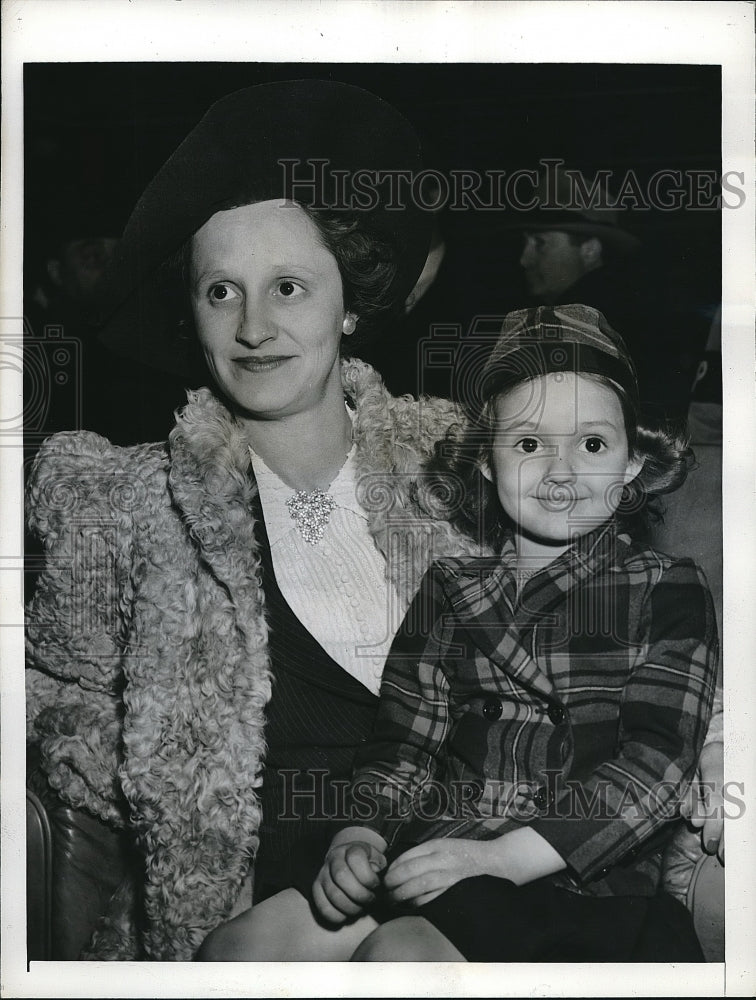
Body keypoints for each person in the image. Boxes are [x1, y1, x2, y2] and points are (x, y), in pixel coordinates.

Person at [25, 84, 723, 962]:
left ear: (347, 305)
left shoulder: (467, 459)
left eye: (288, 286)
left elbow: (642, 651)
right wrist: (142, 767)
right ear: (192, 319)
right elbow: (53, 690)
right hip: (293, 867)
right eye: (220, 292)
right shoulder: (121, 501)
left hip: (510, 855)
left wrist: (723, 755)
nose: (254, 326)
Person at [199, 305, 723, 962]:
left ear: (630, 465)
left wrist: (505, 858)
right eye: (529, 444)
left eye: (592, 444)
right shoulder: (450, 587)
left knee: (397, 958)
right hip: (440, 846)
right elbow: (402, 745)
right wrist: (359, 832)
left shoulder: (667, 587)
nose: (561, 471)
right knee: (242, 948)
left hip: (581, 878)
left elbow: (657, 765)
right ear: (484, 462)